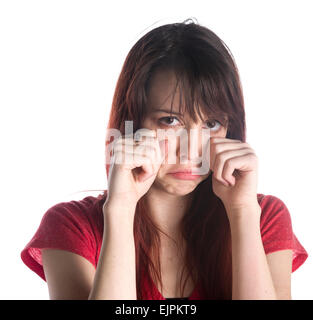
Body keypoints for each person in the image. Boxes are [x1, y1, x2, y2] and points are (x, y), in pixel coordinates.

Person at [21, 18, 308, 300]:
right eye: (170, 120)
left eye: (211, 124)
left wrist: (243, 210)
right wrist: (120, 210)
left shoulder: (264, 217)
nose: (191, 151)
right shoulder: (73, 226)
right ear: (131, 123)